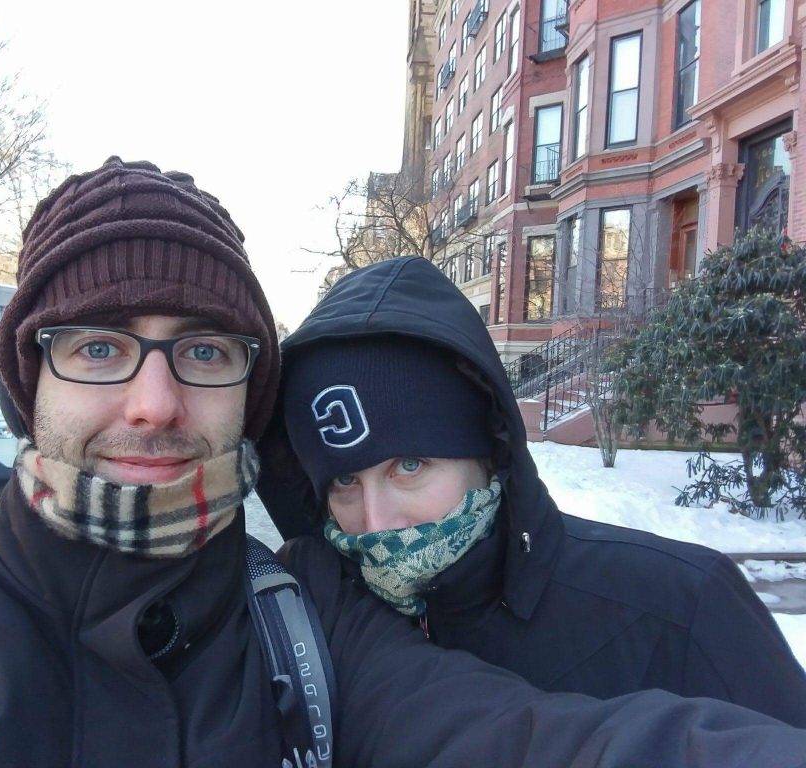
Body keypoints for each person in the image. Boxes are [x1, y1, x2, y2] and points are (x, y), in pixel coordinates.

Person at [0, 162, 806, 768]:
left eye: (203, 351)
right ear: (28, 379)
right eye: (96, 347)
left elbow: (541, 740)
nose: (153, 399)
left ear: (246, 392)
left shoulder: (308, 622)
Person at [258, 254, 806, 728]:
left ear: (487, 453)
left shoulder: (684, 608)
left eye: (409, 465)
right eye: (346, 481)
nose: (376, 522)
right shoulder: (311, 625)